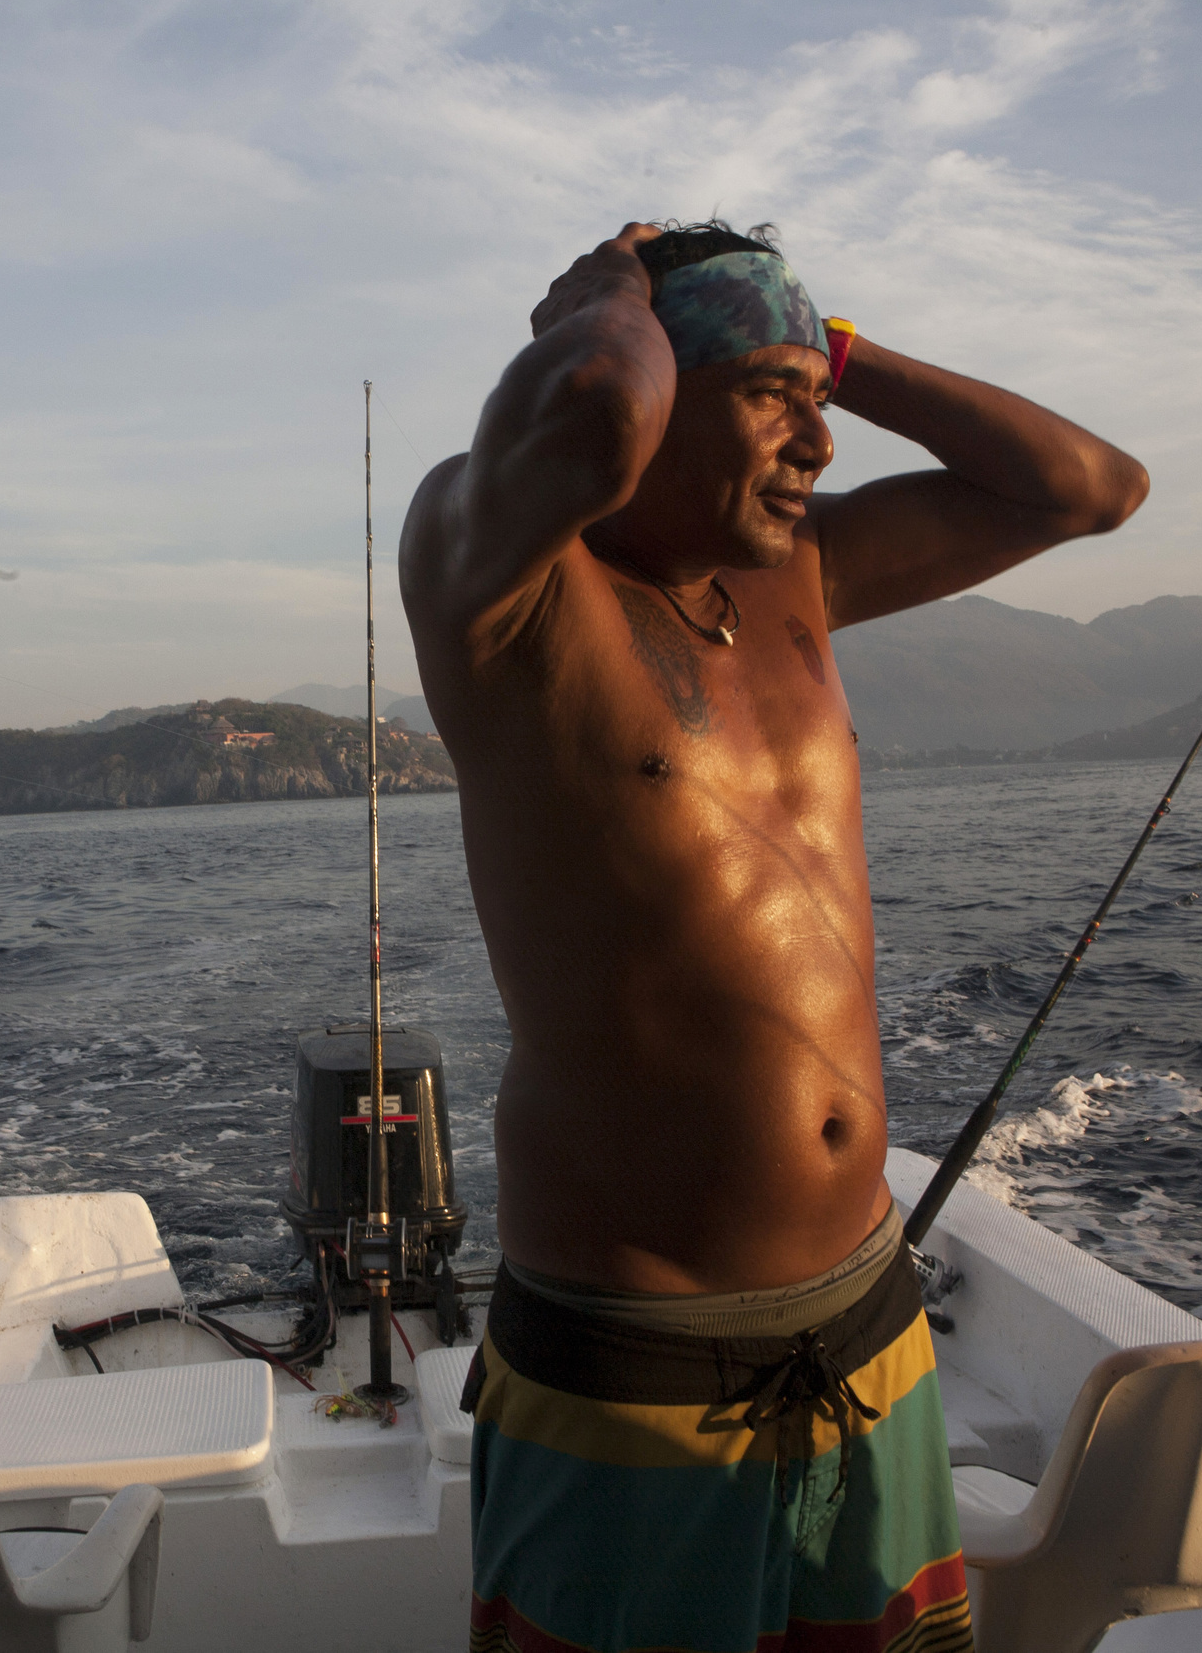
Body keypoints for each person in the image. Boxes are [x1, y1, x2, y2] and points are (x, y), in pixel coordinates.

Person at [401, 221, 1146, 1653]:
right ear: (665, 384)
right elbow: (596, 417)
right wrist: (619, 294)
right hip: (638, 1363)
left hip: (869, 1321)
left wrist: (828, 351)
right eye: (769, 396)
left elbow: (1091, 488)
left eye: (821, 399)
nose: (816, 439)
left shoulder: (799, 576)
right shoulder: (501, 581)